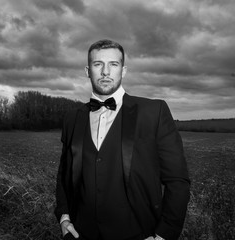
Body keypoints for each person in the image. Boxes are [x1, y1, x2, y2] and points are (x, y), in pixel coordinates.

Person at [54, 39, 190, 240]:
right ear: (87, 70)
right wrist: (64, 217)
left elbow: (178, 181)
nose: (105, 72)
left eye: (113, 64)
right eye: (98, 64)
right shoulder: (72, 118)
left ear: (123, 70)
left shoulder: (154, 112)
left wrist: (163, 235)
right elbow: (64, 173)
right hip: (80, 233)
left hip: (138, 233)